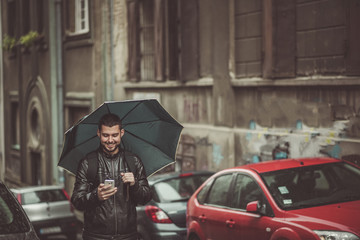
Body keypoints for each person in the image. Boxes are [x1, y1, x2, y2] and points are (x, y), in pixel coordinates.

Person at [71, 113, 152, 240]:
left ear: (122, 133)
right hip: (96, 237)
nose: (110, 140)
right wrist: (95, 196)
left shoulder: (133, 161)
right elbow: (77, 201)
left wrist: (134, 184)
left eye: (114, 135)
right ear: (98, 133)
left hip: (128, 236)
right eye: (105, 135)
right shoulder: (88, 163)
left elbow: (146, 197)